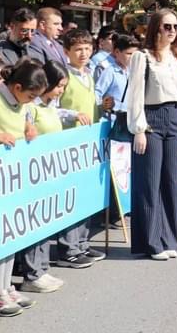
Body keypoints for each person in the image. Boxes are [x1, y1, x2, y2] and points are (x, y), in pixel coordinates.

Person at [0, 58, 58, 303]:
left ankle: (5, 286)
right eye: (31, 95)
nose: (33, 101)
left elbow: (23, 117)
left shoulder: (21, 104)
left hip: (14, 178)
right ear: (16, 88)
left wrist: (28, 127)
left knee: (11, 233)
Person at [125, 9, 177, 260]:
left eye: (175, 27)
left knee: (171, 181)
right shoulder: (142, 58)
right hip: (151, 118)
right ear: (156, 27)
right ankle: (151, 242)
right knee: (149, 181)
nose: (172, 31)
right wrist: (139, 129)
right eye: (167, 26)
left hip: (174, 117)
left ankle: (169, 238)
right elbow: (135, 95)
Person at [55, 28, 105, 268]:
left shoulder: (90, 74)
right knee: (71, 195)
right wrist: (73, 114)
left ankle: (82, 242)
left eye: (87, 48)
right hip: (69, 143)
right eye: (78, 49)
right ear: (67, 52)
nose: (83, 53)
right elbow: (51, 107)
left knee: (86, 193)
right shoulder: (64, 76)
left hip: (89, 142)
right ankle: (69, 248)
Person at [96, 34, 140, 116]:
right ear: (117, 52)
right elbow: (96, 94)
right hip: (114, 120)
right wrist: (104, 105)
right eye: (129, 54)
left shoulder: (134, 71)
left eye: (135, 55)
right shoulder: (110, 72)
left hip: (130, 119)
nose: (132, 57)